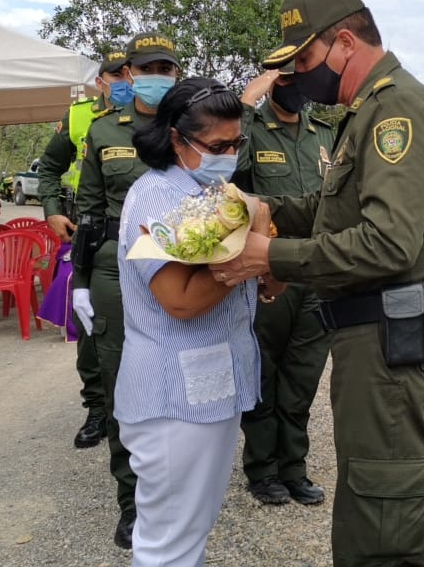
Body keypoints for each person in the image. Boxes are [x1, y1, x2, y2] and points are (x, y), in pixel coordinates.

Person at [213, 0, 424, 566]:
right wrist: (264, 211)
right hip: (375, 344)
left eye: (303, 58)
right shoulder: (365, 110)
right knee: (391, 512)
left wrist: (268, 256)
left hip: (391, 350)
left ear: (344, 42)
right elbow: (333, 208)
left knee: (379, 530)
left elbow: (387, 245)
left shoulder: (394, 108)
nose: (297, 75)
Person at [118, 78, 267, 566]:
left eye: (236, 143)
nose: (230, 155)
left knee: (188, 533)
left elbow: (259, 277)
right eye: (218, 146)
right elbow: (178, 300)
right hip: (172, 398)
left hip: (205, 389)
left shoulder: (214, 190)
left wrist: (260, 260)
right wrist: (251, 251)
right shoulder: (156, 197)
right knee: (169, 543)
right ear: (178, 139)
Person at [72, 31, 182, 549]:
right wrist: (78, 281)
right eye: (147, 67)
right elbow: (88, 214)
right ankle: (132, 502)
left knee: (180, 377)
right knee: (121, 383)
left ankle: (178, 487)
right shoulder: (101, 131)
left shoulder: (188, 125)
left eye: (167, 67)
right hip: (115, 267)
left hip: (181, 263)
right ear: (129, 74)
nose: (156, 75)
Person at [233, 68, 334, 506]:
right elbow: (228, 173)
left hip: (316, 271)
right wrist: (245, 104)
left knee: (303, 375)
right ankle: (262, 469)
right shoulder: (252, 130)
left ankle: (294, 467)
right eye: (286, 80)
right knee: (263, 373)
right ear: (272, 85)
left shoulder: (327, 134)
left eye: (302, 80)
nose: (295, 89)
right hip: (267, 271)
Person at [37, 45, 130, 450]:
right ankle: (97, 408)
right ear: (101, 82)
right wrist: (53, 211)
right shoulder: (78, 117)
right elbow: (50, 168)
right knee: (90, 321)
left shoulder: (156, 117)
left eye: (130, 73)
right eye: (116, 75)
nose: (125, 81)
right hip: (87, 227)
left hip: (139, 229)